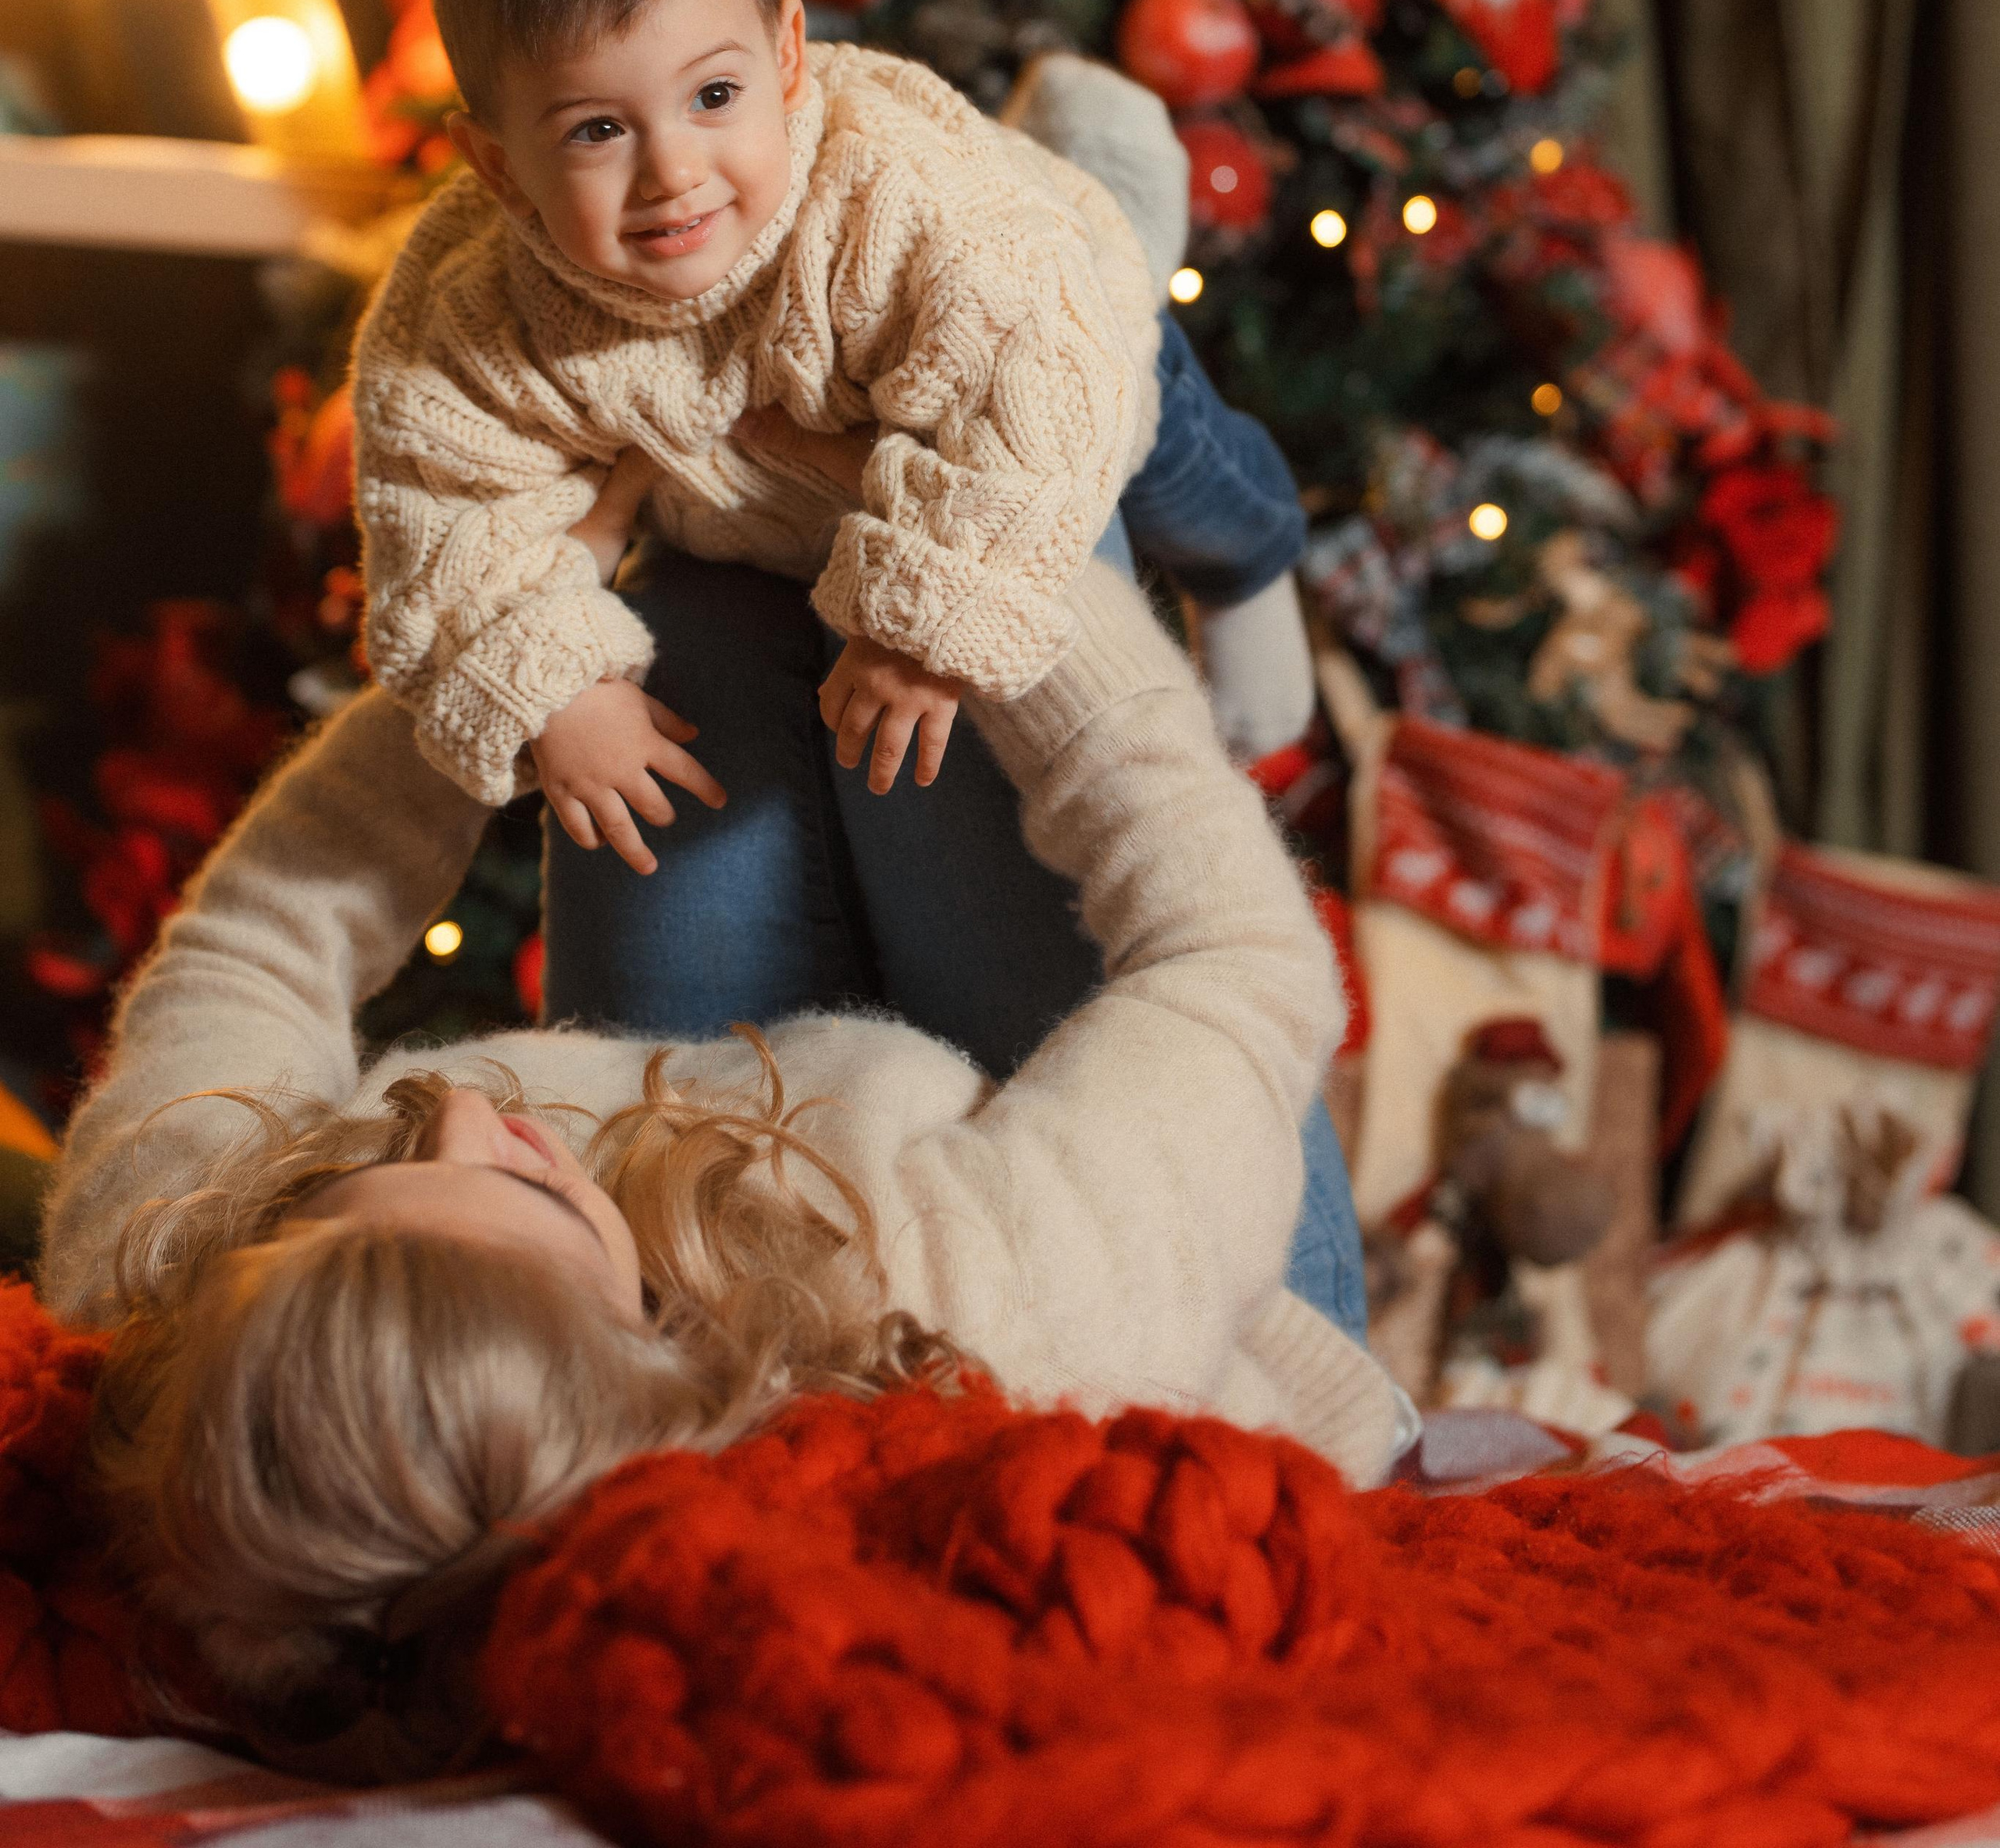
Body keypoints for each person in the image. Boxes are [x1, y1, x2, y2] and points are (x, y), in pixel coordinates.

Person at [40, 546, 1405, 1757]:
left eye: (363, 1173)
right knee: (946, 540)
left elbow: (260, 937)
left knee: (674, 580)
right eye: (521, 1185)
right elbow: (1236, 960)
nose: (465, 1117)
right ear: (656, 1372)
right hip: (1133, 1246)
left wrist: (502, 643)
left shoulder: (185, 1256)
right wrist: (1010, 569)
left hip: (786, 1129)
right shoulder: (1003, 1330)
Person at [348, 0, 1317, 882]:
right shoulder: (472, 316)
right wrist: (558, 689)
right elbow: (442, 513)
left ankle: (1250, 563)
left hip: (1061, 317)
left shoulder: (893, 200)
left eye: (714, 96)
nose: (672, 170)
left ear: (786, 56)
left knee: (1154, 432)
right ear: (495, 163)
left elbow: (1035, 386)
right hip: (772, 505)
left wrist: (927, 624)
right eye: (595, 131)